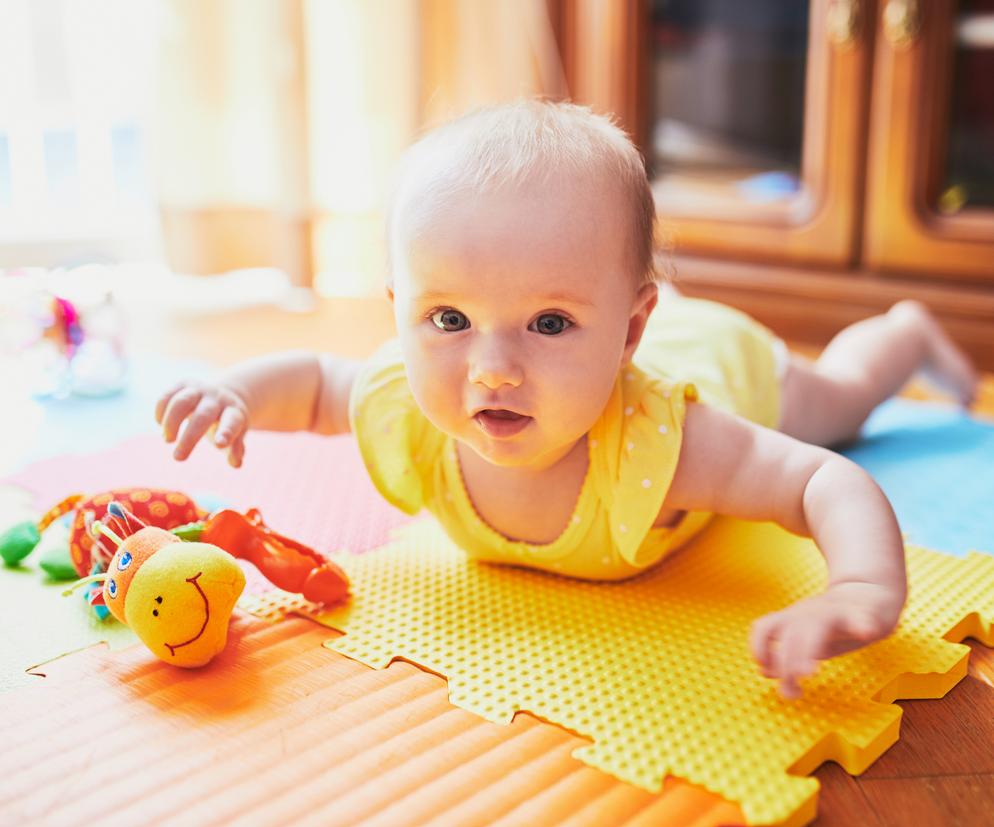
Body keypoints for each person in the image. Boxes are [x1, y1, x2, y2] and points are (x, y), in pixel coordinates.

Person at [155, 100, 978, 698]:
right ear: (396, 308)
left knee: (842, 400)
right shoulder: (403, 407)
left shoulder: (667, 442)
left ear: (628, 331)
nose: (494, 369)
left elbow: (818, 482)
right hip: (642, 331)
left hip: (727, 359)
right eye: (449, 318)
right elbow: (315, 385)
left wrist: (862, 588)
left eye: (548, 323)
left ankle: (900, 333)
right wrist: (234, 390)